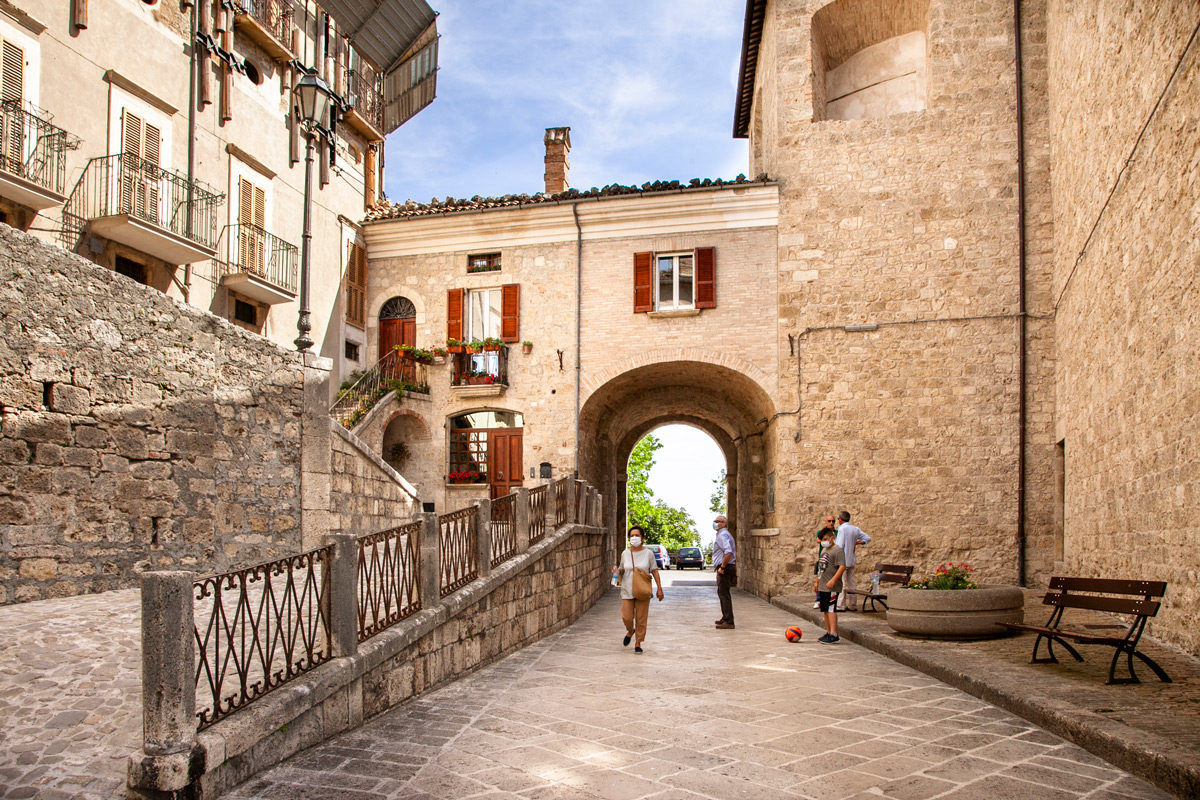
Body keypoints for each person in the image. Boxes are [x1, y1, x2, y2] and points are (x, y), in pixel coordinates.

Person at [615, 525, 663, 653]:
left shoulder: (648, 554)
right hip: (627, 589)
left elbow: (654, 571)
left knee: (641, 618)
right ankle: (630, 631)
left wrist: (659, 588)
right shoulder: (625, 553)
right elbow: (622, 569)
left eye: (637, 535)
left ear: (642, 538)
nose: (634, 538)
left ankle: (638, 642)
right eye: (632, 536)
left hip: (642, 589)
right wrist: (617, 571)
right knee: (626, 616)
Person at [814, 527, 846, 643]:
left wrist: (833, 580)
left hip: (832, 586)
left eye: (826, 539)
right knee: (825, 610)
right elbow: (820, 568)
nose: (824, 541)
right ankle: (828, 632)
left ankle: (834, 633)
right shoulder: (824, 550)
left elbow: (842, 566)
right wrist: (817, 582)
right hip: (823, 585)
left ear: (832, 538)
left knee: (831, 609)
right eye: (822, 539)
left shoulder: (838, 551)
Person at [834, 511, 871, 611]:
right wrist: (857, 543)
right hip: (851, 559)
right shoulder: (855, 529)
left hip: (843, 559)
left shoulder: (842, 529)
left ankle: (840, 605)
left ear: (840, 519)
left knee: (842, 582)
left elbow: (839, 545)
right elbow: (867, 538)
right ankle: (853, 604)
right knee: (851, 582)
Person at [711, 515, 737, 629]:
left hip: (725, 569)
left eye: (718, 521)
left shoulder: (723, 535)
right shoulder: (723, 535)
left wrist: (722, 567)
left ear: (724, 524)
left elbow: (728, 552)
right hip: (726, 567)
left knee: (724, 594)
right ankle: (725, 617)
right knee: (722, 593)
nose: (715, 523)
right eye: (715, 521)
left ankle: (729, 621)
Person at [813, 516, 838, 609]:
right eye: (829, 521)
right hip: (823, 559)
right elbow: (818, 539)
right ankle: (818, 599)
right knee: (820, 578)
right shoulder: (821, 532)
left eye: (833, 521)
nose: (831, 523)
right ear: (826, 522)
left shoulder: (837, 533)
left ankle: (828, 600)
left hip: (832, 560)